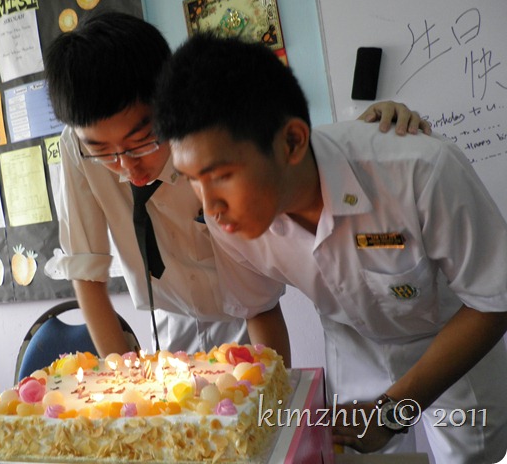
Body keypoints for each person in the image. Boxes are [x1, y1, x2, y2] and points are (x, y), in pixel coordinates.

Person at [152, 33, 507, 463]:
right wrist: (271, 419)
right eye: (193, 179)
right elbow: (258, 307)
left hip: (453, 352)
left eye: (222, 175)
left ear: (292, 142)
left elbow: (493, 302)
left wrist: (391, 412)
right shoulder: (227, 220)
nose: (211, 207)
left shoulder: (418, 172)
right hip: (353, 350)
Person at [44, 11, 429, 360]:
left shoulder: (205, 128)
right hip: (171, 315)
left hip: (248, 312)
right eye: (102, 151)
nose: (126, 165)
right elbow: (86, 271)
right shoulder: (79, 147)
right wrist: (121, 374)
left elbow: (287, 157)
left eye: (142, 140)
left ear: (166, 100)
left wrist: (364, 136)